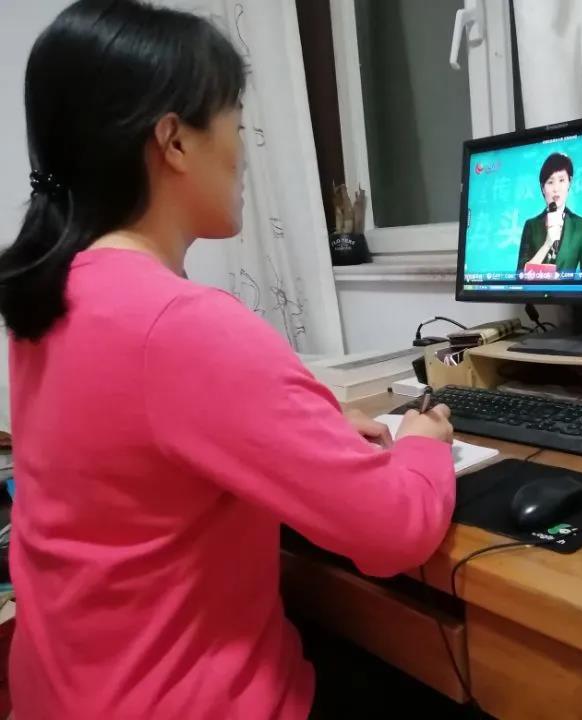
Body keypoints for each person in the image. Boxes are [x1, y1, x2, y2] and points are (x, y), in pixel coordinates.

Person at [0, 2, 456, 718]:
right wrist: (425, 442)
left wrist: (303, 426)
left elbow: (137, 465)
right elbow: (393, 531)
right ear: (175, 141)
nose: (243, 154)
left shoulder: (52, 294)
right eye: (237, 127)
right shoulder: (181, 327)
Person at [515, 152, 582, 273]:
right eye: (550, 182)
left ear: (569, 182)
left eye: (561, 180)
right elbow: (520, 275)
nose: (556, 189)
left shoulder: (581, 226)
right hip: (534, 287)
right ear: (543, 188)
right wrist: (548, 244)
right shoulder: (531, 225)